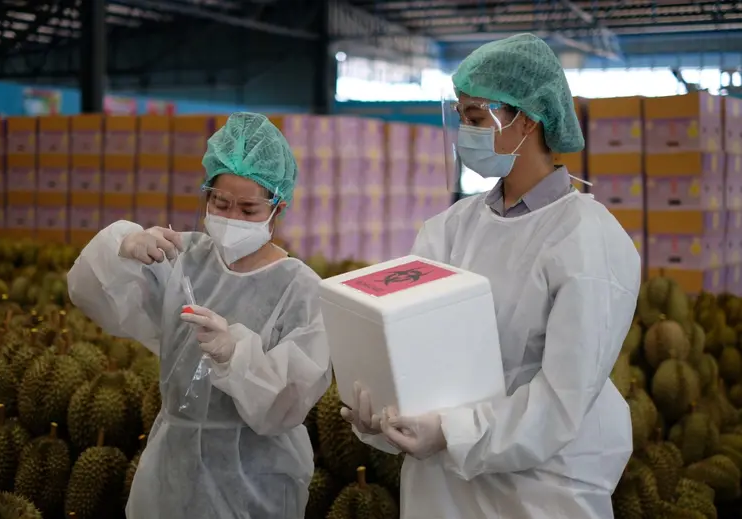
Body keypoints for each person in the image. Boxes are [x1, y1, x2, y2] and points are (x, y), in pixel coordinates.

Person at [341, 33, 641, 519]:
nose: (466, 135)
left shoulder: (588, 241)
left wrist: (453, 432)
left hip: (539, 493)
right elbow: (410, 345)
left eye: (477, 118)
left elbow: (561, 401)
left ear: (526, 118)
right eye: (461, 119)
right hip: (439, 492)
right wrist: (383, 409)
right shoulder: (450, 230)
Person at [67, 112, 332, 519]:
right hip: (173, 466)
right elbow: (90, 294)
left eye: (248, 209)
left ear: (278, 206)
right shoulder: (180, 258)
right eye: (220, 203)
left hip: (256, 478)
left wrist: (236, 356)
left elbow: (288, 404)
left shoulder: (301, 289)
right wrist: (121, 248)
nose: (231, 218)